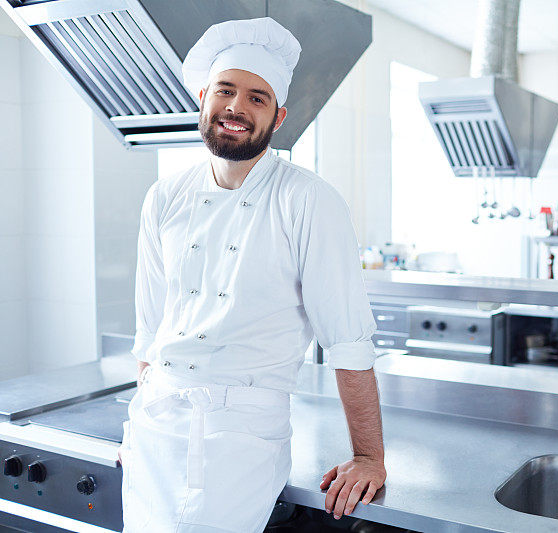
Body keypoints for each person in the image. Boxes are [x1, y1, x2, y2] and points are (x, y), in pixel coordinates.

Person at [118, 17, 386, 532]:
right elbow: (150, 335)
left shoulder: (308, 200)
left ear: (278, 117)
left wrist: (369, 456)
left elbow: (349, 341)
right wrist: (141, 426)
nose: (237, 108)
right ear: (203, 98)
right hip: (154, 430)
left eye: (257, 98)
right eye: (226, 91)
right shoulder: (165, 197)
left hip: (240, 438)